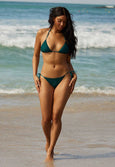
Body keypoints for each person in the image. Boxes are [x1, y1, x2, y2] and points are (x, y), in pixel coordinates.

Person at [32, 7, 77, 162]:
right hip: (44, 78)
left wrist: (75, 74)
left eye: (65, 21)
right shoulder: (41, 33)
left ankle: (50, 150)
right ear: (52, 19)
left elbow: (68, 61)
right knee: (45, 119)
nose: (62, 24)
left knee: (56, 116)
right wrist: (34, 76)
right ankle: (48, 140)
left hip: (64, 78)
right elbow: (36, 55)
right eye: (59, 21)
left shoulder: (68, 37)